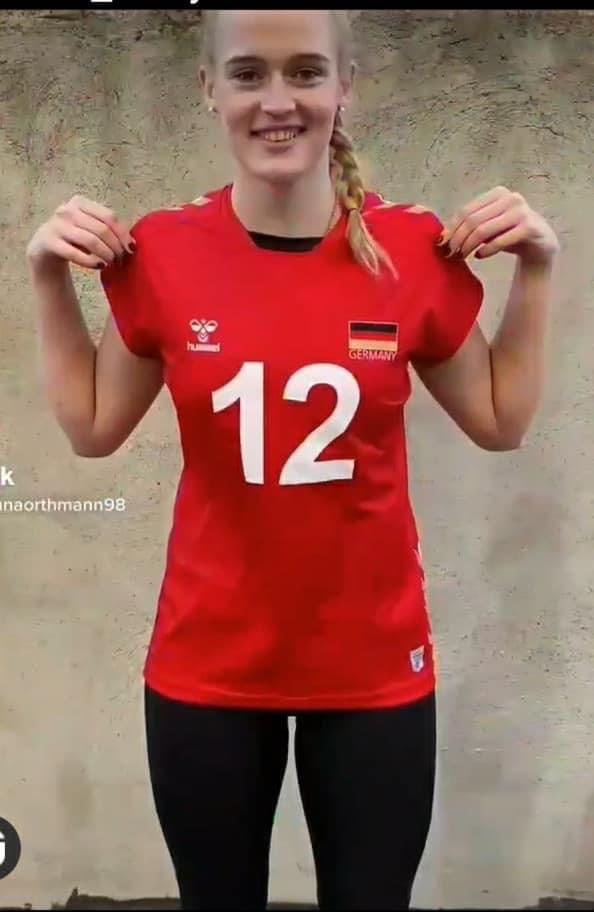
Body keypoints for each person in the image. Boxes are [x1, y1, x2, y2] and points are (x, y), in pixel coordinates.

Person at [26, 9, 559, 911]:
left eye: (307, 72)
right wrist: (46, 273)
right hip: (208, 663)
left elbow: (502, 420)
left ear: (346, 85)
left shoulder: (411, 250)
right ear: (210, 89)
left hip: (373, 666)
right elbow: (91, 426)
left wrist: (539, 266)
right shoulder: (163, 251)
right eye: (249, 74)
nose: (279, 100)